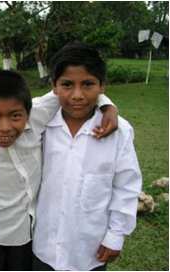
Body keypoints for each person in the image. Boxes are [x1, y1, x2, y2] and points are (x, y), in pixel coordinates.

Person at [0, 70, 118, 271]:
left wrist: (107, 105)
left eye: (16, 116)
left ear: (28, 111)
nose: (5, 127)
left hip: (29, 236)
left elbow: (73, 87)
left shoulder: (38, 114)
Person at [32, 42, 142, 271]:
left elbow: (126, 186)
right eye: (67, 85)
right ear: (54, 86)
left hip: (88, 252)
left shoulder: (119, 131)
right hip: (43, 246)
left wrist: (116, 235)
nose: (77, 95)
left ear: (103, 86)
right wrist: (106, 103)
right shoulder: (41, 122)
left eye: (88, 84)